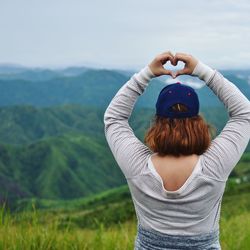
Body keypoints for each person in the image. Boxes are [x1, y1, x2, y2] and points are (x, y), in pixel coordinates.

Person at [103, 51, 250, 250]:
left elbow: (114, 118)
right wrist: (202, 71)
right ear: (198, 122)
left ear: (157, 122)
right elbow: (244, 115)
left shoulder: (138, 165)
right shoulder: (214, 166)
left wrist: (146, 74)